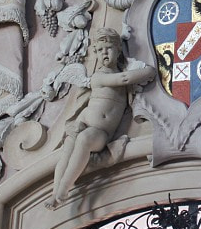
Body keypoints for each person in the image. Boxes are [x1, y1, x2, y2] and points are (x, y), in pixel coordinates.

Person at [45, 28, 155, 209]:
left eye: (109, 48)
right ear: (95, 53)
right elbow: (125, 79)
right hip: (83, 123)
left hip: (100, 132)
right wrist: (149, 71)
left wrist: (147, 71)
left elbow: (126, 77)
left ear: (118, 50)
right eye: (100, 50)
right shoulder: (99, 77)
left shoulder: (120, 73)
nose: (105, 53)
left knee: (85, 139)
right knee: (66, 154)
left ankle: (65, 186)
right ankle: (56, 191)